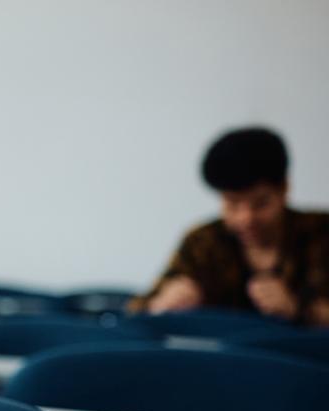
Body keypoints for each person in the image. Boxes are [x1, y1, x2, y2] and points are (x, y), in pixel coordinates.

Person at [136, 128, 328, 325]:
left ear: (284, 189)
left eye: (261, 203)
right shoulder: (203, 242)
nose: (246, 218)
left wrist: (299, 309)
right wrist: (161, 304)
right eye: (233, 204)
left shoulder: (321, 233)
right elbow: (136, 309)